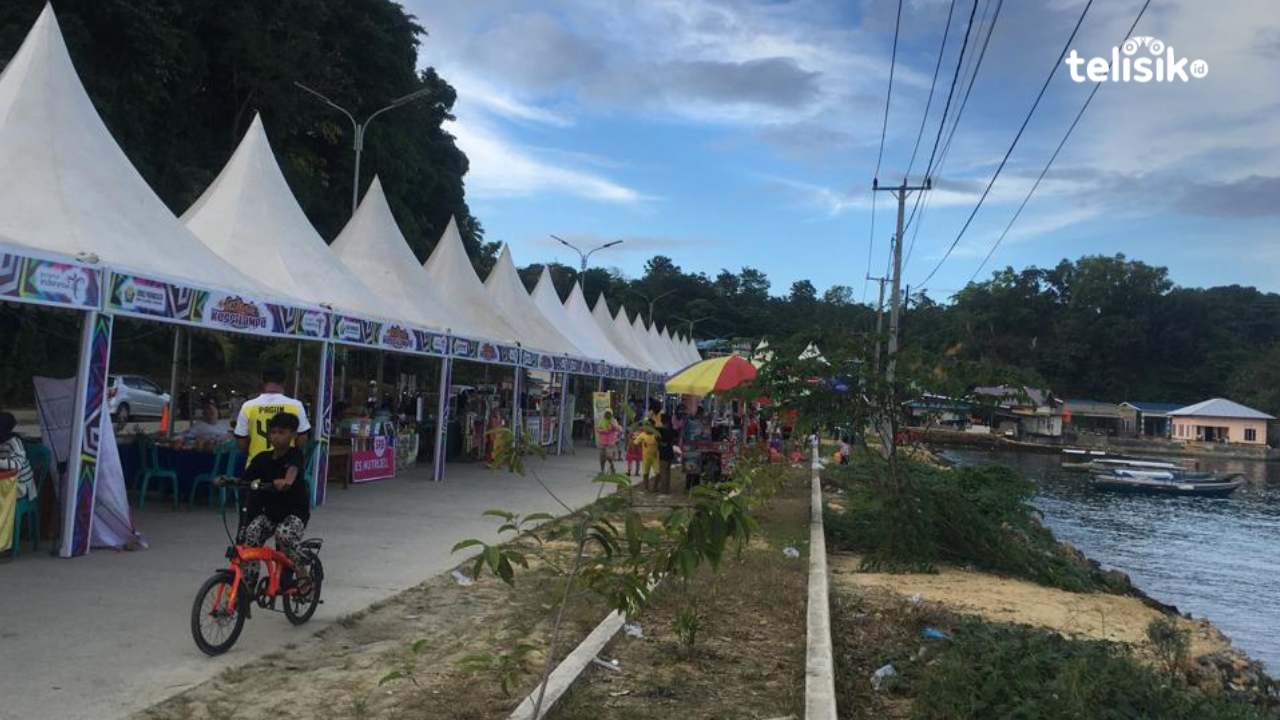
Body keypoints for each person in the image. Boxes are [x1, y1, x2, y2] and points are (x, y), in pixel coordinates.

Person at [237, 412, 310, 589]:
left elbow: (292, 471)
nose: (276, 436)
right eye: (273, 432)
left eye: (281, 432)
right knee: (250, 534)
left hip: (293, 513)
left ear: (292, 435)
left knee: (284, 535)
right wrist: (227, 481)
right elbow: (245, 479)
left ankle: (302, 571)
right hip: (270, 513)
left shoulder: (295, 455)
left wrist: (286, 482)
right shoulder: (262, 458)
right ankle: (248, 583)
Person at [235, 367, 311, 464]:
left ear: (262, 382)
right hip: (286, 467)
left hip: (256, 466)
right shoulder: (295, 405)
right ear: (284, 382)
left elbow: (241, 440)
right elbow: (302, 437)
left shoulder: (248, 406)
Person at [0, 412, 35, 502]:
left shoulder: (14, 442)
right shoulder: (2, 442)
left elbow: (17, 465)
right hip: (8, 481)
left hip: (22, 486)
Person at [656, 411, 678, 494]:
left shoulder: (660, 431)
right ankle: (666, 488)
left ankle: (663, 489)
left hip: (663, 452)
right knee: (667, 471)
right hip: (670, 451)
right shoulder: (671, 430)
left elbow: (657, 439)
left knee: (663, 471)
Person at [595, 409, 621, 474]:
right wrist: (604, 430)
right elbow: (598, 429)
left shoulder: (613, 420)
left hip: (610, 442)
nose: (608, 415)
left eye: (609, 414)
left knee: (608, 456)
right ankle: (602, 470)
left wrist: (613, 425)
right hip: (602, 441)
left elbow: (619, 429)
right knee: (602, 457)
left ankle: (612, 467)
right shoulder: (602, 420)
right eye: (607, 413)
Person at [636, 424, 659, 491]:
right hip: (646, 457)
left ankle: (655, 487)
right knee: (645, 473)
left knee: (658, 473)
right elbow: (636, 443)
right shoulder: (642, 435)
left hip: (655, 457)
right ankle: (646, 487)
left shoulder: (656, 435)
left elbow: (660, 442)